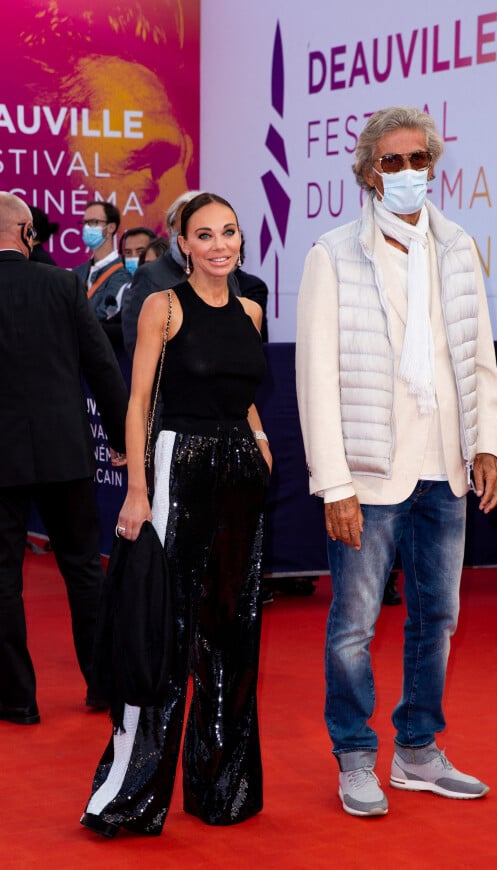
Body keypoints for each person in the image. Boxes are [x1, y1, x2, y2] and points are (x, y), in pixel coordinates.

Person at [295, 106, 497, 817]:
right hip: (370, 472)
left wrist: (487, 443)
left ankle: (417, 750)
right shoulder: (332, 254)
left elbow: (478, 357)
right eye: (394, 161)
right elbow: (316, 377)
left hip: (445, 468)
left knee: (437, 618)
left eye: (420, 160)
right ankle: (355, 756)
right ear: (367, 172)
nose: (410, 173)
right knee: (354, 624)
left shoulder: (458, 245)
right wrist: (334, 481)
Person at [81, 192, 272, 836]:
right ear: (183, 245)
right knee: (164, 632)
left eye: (231, 232)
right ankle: (131, 796)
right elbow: (138, 403)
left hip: (241, 475)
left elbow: (240, 393)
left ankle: (224, 788)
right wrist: (137, 489)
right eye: (206, 235)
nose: (221, 244)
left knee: (233, 626)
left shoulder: (251, 309)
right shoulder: (162, 307)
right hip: (177, 469)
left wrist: (261, 439)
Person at [0, 192, 129, 725]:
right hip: (64, 450)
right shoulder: (62, 284)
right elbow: (103, 366)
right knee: (81, 568)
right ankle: (104, 687)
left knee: (2, 576)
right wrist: (123, 437)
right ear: (28, 233)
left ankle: (15, 700)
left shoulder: (62, 282)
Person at [122, 192, 270, 356]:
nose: (217, 244)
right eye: (202, 235)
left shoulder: (227, 277)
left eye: (227, 232)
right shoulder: (150, 275)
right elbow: (136, 343)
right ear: (173, 232)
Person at [73, 201, 132, 322]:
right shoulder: (77, 272)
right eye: (85, 223)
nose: (87, 228)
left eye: (93, 222)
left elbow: (104, 314)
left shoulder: (124, 271)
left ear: (111, 227)